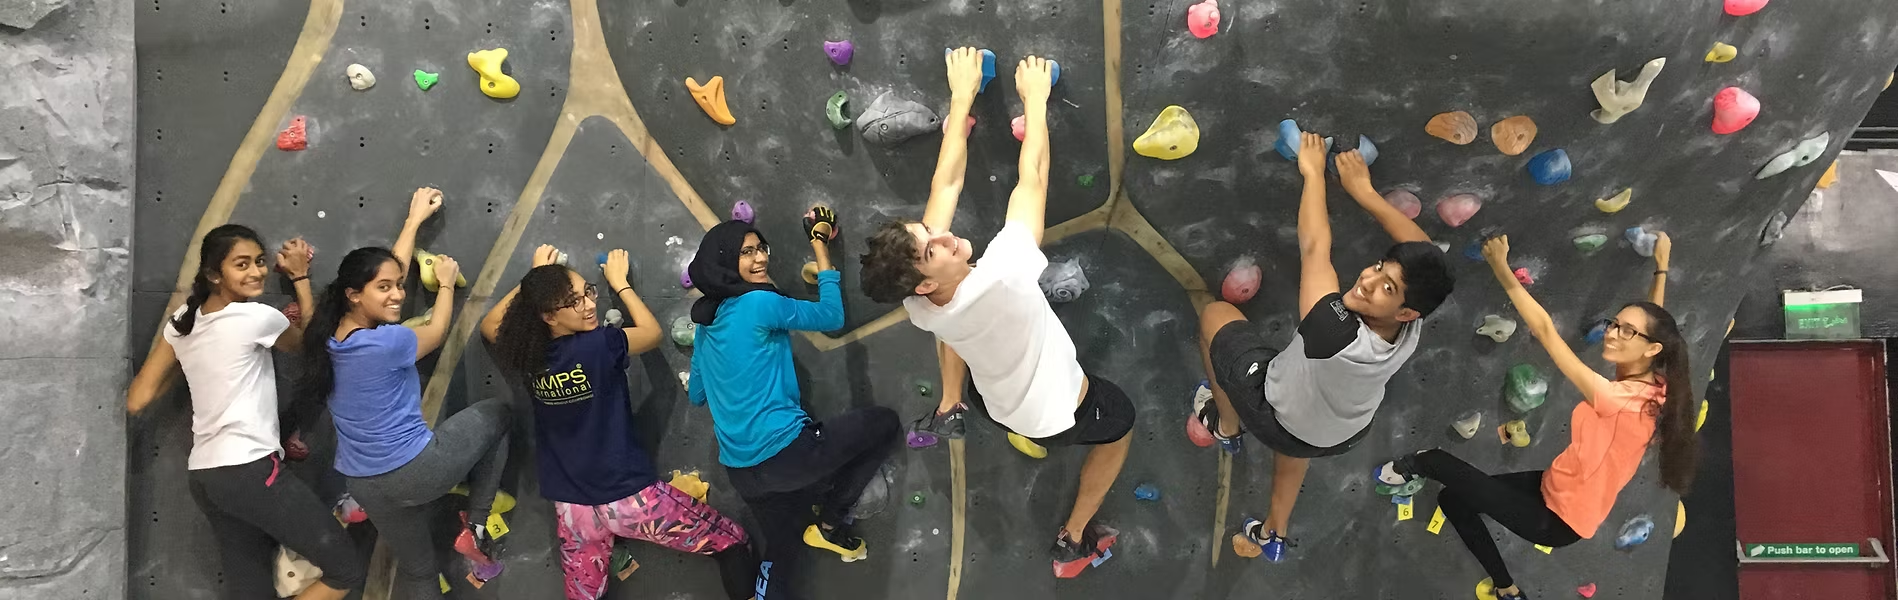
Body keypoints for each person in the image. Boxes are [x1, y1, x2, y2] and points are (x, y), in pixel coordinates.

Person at [857, 52, 1134, 578]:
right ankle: (1073, 533)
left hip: (995, 405)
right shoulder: (1005, 270)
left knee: (956, 336)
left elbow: (945, 187)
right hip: (1055, 416)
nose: (943, 235)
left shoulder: (918, 303)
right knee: (1121, 426)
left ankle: (952, 402)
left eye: (926, 233)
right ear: (925, 279)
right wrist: (1035, 96)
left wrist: (962, 94)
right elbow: (1033, 177)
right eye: (934, 248)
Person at [1372, 234, 1695, 600]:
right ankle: (1507, 590)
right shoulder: (1656, 382)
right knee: (1453, 501)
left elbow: (1544, 330)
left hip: (1557, 521)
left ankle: (1407, 466)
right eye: (1615, 324)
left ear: (1650, 348)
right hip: (1557, 484)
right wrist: (1661, 268)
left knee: (1434, 461)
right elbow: (1656, 326)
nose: (1613, 335)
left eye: (1626, 331)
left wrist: (1501, 268)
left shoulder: (1617, 398)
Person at [1193, 135, 1455, 562]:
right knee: (1300, 435)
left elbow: (1315, 247)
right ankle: (1272, 533)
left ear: (1406, 311)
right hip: (1340, 432)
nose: (1367, 282)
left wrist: (1314, 172)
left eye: (1386, 287)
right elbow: (1422, 253)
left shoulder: (1334, 332)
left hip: (1280, 412)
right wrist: (1365, 193)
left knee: (1215, 317)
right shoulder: (1410, 323)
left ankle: (1225, 424)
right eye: (1377, 269)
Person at [482, 245, 757, 600]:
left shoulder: (528, 355)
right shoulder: (599, 345)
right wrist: (619, 283)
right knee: (732, 541)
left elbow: (491, 326)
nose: (589, 304)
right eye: (574, 301)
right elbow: (651, 332)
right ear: (548, 315)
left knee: (585, 595)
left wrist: (534, 280)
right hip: (630, 500)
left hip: (573, 509)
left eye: (588, 292)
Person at [128, 225, 362, 600]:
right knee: (345, 569)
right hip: (252, 470)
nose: (256, 272)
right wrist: (301, 277)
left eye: (258, 262)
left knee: (250, 589)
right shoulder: (254, 317)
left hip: (207, 476)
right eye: (242, 264)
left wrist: (190, 362)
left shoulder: (184, 320)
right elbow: (313, 346)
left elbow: (137, 398)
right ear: (213, 274)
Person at [302, 188, 512, 598]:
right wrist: (447, 286)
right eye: (385, 288)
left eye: (398, 285)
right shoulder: (387, 343)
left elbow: (385, 274)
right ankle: (479, 524)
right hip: (415, 470)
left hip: (364, 485)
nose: (397, 294)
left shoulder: (325, 339)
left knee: (419, 571)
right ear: (354, 294)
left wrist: (413, 222)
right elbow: (434, 333)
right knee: (501, 415)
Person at [688, 208, 900, 600]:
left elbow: (696, 395)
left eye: (761, 248)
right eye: (747, 252)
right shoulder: (758, 303)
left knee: (784, 546)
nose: (761, 258)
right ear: (725, 263)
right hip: (788, 454)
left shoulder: (706, 324)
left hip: (743, 473)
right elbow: (831, 315)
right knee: (885, 424)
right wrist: (820, 246)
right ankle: (833, 522)